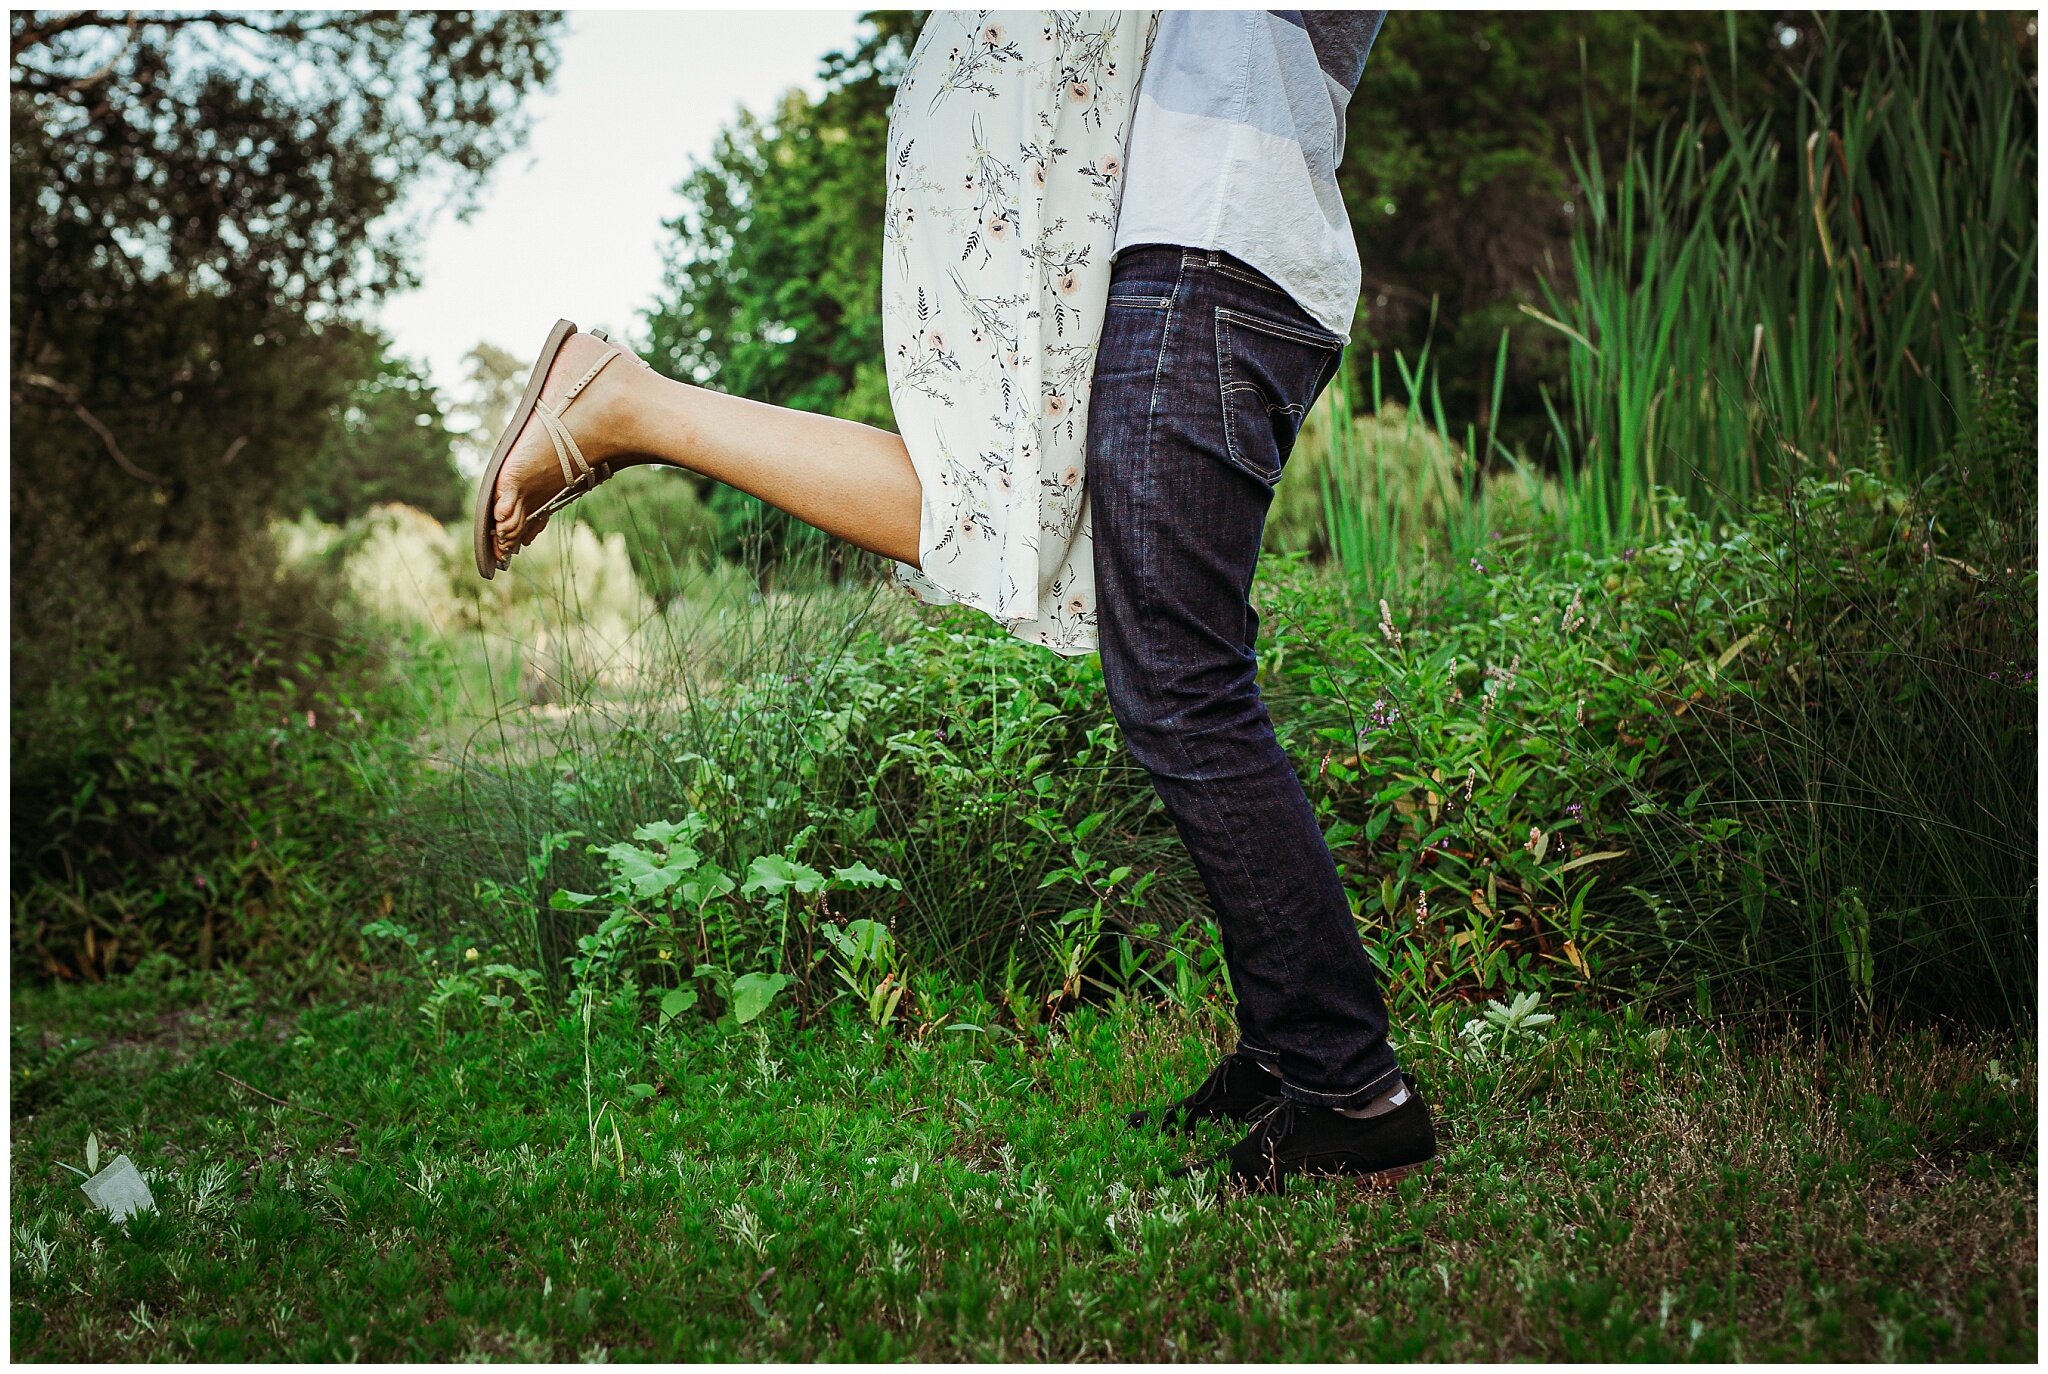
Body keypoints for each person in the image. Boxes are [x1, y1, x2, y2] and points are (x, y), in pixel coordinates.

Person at [473, 9, 1435, 1194]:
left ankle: (1348, 1087)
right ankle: (1302, 1054)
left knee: (1173, 681)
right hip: (1217, 246)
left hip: (1213, 240)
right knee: (1156, 651)